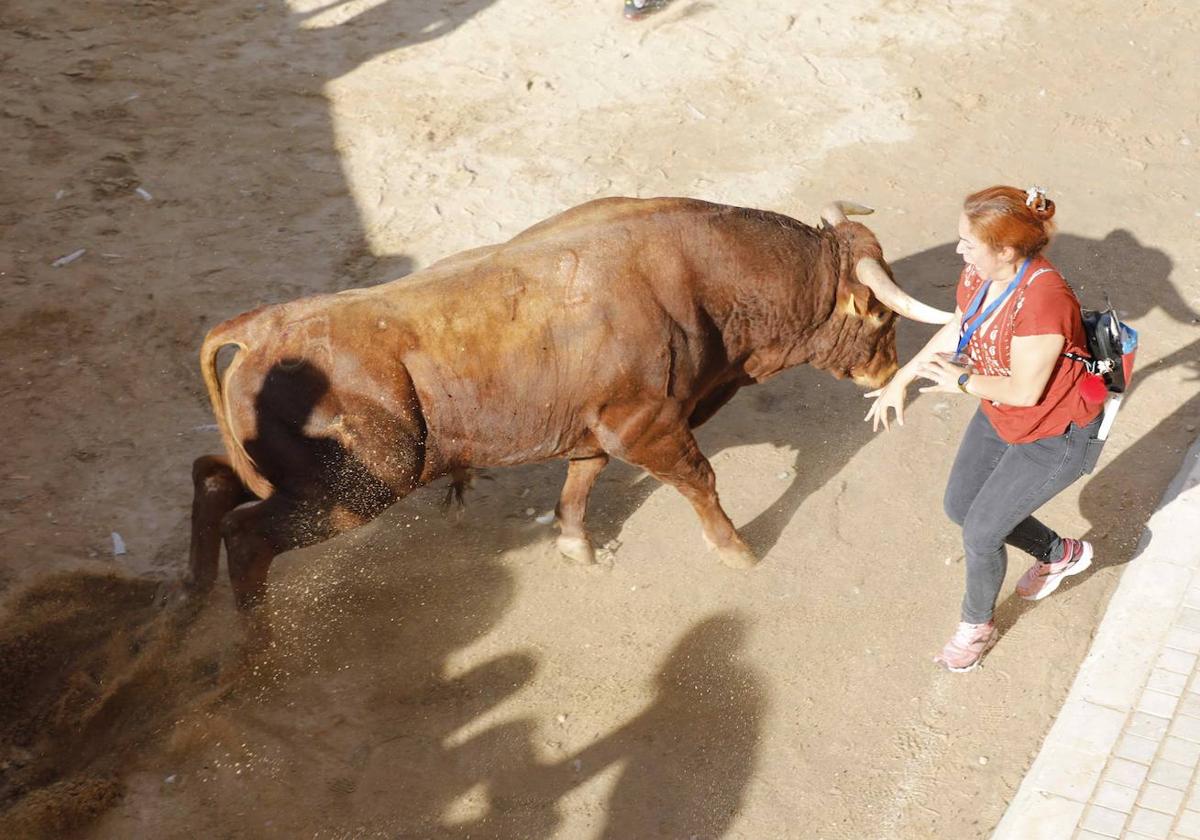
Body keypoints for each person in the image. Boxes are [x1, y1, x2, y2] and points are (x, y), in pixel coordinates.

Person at [865, 185, 1106, 672]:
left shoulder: (1044, 299)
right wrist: (903, 378)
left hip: (1053, 433)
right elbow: (959, 326)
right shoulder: (979, 275)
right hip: (999, 412)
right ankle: (1060, 554)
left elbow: (1024, 391)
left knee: (979, 534)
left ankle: (975, 629)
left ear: (1006, 249)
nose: (959, 251)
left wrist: (958, 381)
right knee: (960, 506)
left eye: (968, 243)